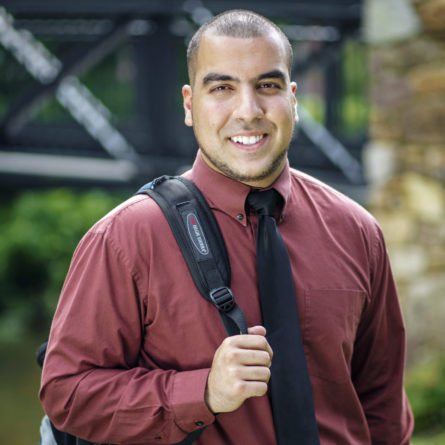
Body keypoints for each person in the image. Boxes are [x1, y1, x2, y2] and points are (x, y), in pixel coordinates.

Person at [40, 9, 414, 445]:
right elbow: (66, 393)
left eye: (267, 86)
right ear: (189, 104)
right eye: (222, 88)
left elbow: (383, 407)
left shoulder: (357, 231)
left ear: (293, 98)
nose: (248, 110)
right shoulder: (125, 237)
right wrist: (203, 392)